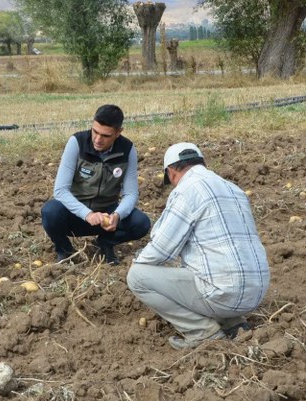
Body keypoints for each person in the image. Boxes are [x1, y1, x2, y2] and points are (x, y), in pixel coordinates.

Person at [127, 142, 270, 350]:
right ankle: (233, 322)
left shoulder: (187, 190)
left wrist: (137, 261)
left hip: (224, 294)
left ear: (171, 172)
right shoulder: (234, 189)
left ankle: (202, 332)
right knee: (205, 260)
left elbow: (161, 249)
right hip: (256, 293)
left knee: (137, 277)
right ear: (203, 163)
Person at [41, 104, 151, 265]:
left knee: (141, 223)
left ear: (118, 132)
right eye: (95, 132)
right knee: (50, 212)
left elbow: (131, 194)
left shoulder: (127, 150)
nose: (98, 140)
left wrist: (117, 215)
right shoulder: (77, 143)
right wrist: (87, 214)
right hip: (76, 214)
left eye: (106, 135)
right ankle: (65, 251)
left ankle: (105, 243)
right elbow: (60, 190)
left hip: (106, 214)